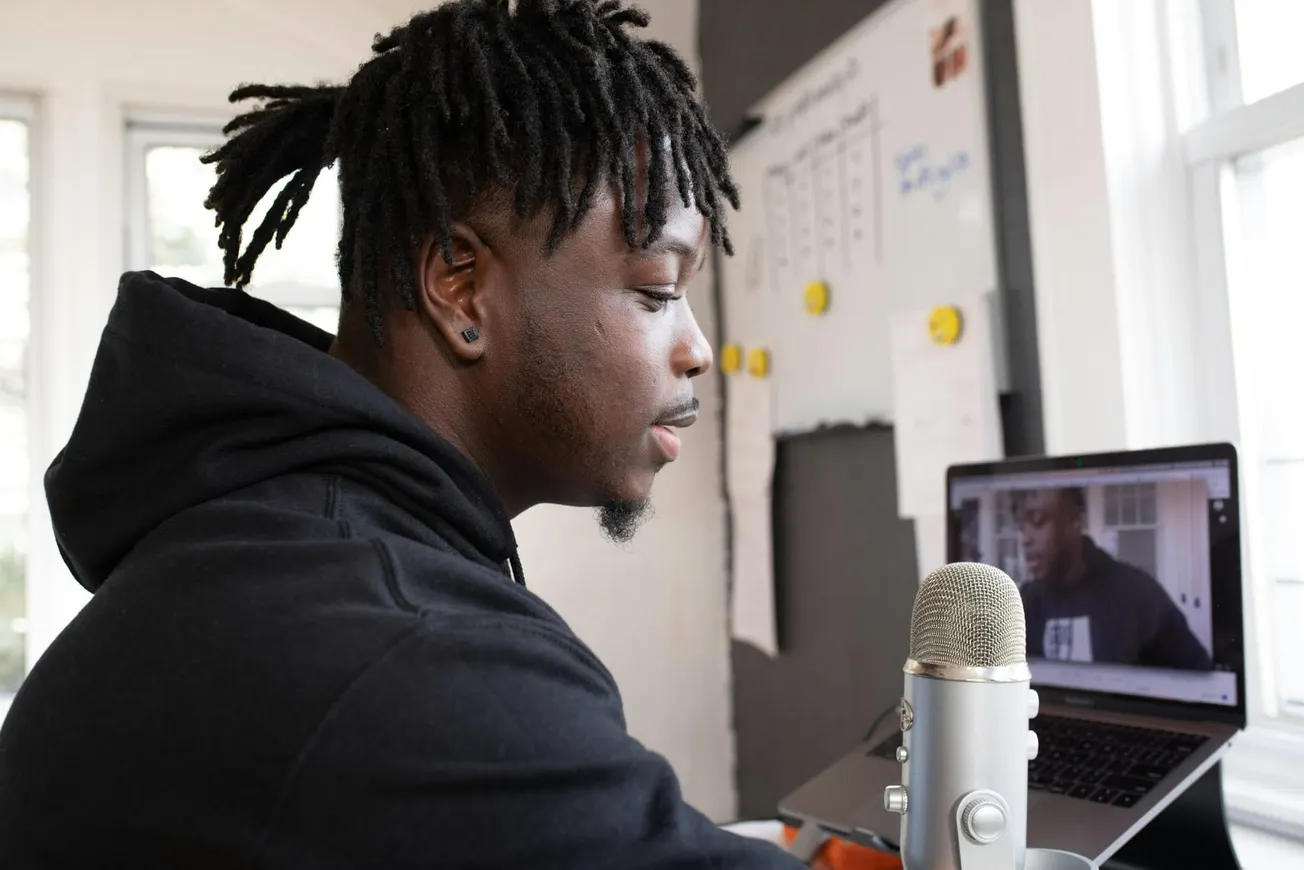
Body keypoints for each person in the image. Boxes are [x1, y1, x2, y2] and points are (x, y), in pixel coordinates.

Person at [0, 3, 808, 867]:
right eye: (654, 291)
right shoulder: (401, 645)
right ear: (459, 291)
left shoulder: (286, 545)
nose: (696, 350)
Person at [1013, 488, 1213, 671]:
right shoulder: (1025, 603)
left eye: (1037, 521)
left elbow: (1200, 679)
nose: (1025, 539)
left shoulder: (1138, 596)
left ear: (1074, 520)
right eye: (1021, 527)